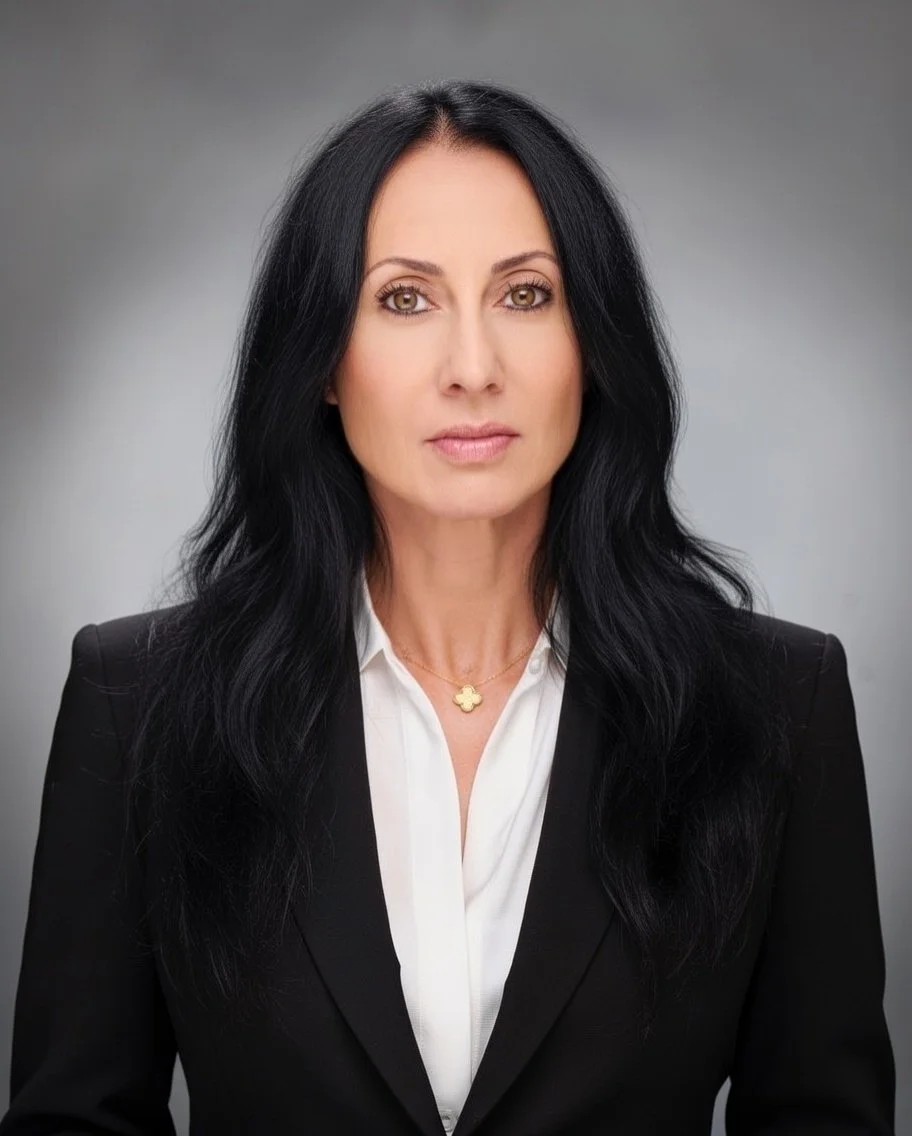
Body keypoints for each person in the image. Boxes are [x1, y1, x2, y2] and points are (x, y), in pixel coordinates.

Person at [0, 80, 896, 1136]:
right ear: (323, 361)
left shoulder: (775, 704)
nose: (474, 369)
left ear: (593, 344)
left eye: (525, 295)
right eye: (404, 299)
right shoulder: (139, 701)